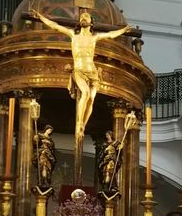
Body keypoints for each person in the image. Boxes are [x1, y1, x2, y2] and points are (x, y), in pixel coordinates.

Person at [31, 10, 134, 143]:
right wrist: (40, 17)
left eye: (86, 16)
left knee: (91, 99)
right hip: (79, 70)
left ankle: (83, 126)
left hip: (92, 72)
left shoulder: (94, 37)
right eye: (81, 17)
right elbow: (55, 26)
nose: (83, 17)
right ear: (80, 22)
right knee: (85, 93)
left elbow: (111, 34)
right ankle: (79, 124)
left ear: (91, 22)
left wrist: (124, 30)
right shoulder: (74, 35)